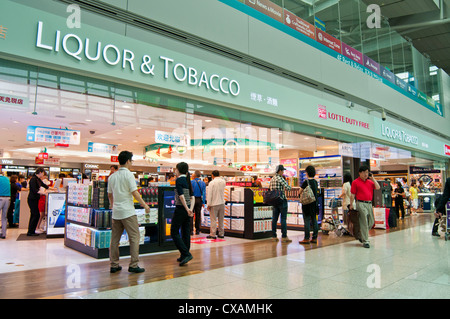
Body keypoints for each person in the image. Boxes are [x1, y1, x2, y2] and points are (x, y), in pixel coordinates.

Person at [108, 151, 149, 273]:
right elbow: (134, 192)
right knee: (134, 237)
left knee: (114, 240)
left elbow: (110, 195)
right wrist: (145, 205)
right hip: (128, 212)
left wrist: (112, 205)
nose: (132, 163)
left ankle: (114, 265)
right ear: (127, 161)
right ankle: (134, 265)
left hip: (116, 213)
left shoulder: (112, 177)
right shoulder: (129, 175)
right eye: (131, 161)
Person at [349, 165, 380, 248]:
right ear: (360, 173)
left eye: (367, 172)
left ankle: (361, 235)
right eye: (364, 172)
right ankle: (366, 241)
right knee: (364, 222)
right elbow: (352, 194)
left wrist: (372, 178)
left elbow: (378, 187)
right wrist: (351, 204)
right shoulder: (355, 182)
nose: (366, 174)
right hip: (360, 203)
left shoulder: (370, 182)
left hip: (369, 204)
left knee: (371, 222)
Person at [171, 162, 195, 266]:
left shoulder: (179, 180)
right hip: (188, 210)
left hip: (181, 209)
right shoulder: (187, 179)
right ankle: (183, 255)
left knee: (174, 231)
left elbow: (181, 196)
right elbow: (192, 197)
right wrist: (190, 209)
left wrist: (186, 208)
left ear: (178, 170)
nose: (174, 171)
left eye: (175, 169)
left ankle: (186, 254)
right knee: (186, 232)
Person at [269, 165, 292, 243]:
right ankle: (284, 236)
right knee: (283, 218)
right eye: (282, 171)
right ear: (280, 171)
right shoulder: (280, 178)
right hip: (282, 200)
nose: (283, 172)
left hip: (274, 201)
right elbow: (288, 188)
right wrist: (290, 182)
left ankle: (273, 236)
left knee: (274, 219)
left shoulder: (272, 179)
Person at [299, 165, 320, 244]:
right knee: (314, 220)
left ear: (307, 173)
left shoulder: (306, 182)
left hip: (307, 204)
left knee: (307, 220)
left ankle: (306, 238)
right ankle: (314, 237)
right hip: (314, 204)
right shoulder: (315, 182)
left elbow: (300, 191)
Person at [27, 168, 49, 236]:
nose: (43, 175)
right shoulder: (33, 179)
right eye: (42, 173)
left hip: (35, 199)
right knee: (36, 214)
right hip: (32, 199)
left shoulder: (38, 179)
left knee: (34, 214)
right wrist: (44, 193)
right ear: (40, 172)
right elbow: (35, 190)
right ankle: (31, 231)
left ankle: (31, 231)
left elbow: (44, 185)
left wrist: (53, 189)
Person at [206, 170, 226, 239]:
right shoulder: (223, 182)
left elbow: (210, 194)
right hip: (222, 203)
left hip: (214, 204)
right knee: (221, 219)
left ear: (212, 175)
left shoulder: (212, 183)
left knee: (213, 220)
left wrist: (208, 204)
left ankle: (213, 234)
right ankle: (221, 233)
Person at [191, 170, 206, 235]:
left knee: (191, 214)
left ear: (194, 175)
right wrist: (203, 202)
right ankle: (197, 230)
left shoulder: (191, 182)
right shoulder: (203, 183)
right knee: (198, 215)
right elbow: (204, 193)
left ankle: (190, 230)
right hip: (199, 199)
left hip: (192, 199)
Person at [0, 170, 11, 239]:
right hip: (8, 199)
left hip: (0, 198)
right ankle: (4, 234)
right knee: (4, 216)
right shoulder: (7, 179)